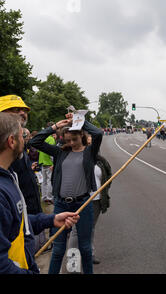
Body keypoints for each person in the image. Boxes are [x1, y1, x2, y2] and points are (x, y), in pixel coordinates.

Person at [0, 112, 79, 274]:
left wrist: (50, 219)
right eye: (22, 135)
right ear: (11, 141)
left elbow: (16, 223)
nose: (26, 139)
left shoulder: (9, 176)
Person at [30, 114, 103, 274]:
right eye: (67, 140)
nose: (70, 143)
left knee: (84, 248)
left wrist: (80, 122)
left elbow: (98, 134)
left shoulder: (89, 153)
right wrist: (55, 127)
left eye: (74, 139)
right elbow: (34, 141)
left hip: (83, 204)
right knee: (57, 249)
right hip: (61, 204)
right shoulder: (60, 153)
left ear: (81, 136)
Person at [68, 134, 112, 266]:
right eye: (88, 141)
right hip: (81, 199)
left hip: (97, 200)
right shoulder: (77, 158)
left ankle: (90, 254)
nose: (91, 144)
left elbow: (108, 175)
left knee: (91, 228)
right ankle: (73, 262)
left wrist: (105, 189)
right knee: (76, 231)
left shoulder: (100, 160)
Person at [38, 122, 56, 205]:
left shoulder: (43, 138)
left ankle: (44, 197)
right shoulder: (51, 139)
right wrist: (53, 163)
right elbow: (52, 152)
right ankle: (49, 198)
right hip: (49, 162)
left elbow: (38, 150)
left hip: (42, 162)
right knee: (49, 181)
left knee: (44, 181)